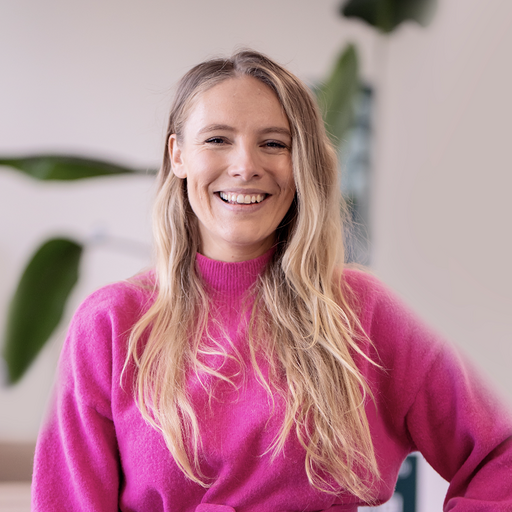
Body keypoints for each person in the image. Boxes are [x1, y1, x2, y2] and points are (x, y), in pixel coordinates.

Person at [32, 50, 512, 511]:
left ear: (301, 163)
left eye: (274, 144)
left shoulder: (367, 311)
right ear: (178, 155)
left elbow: (500, 451)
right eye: (217, 139)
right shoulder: (110, 325)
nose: (245, 166)